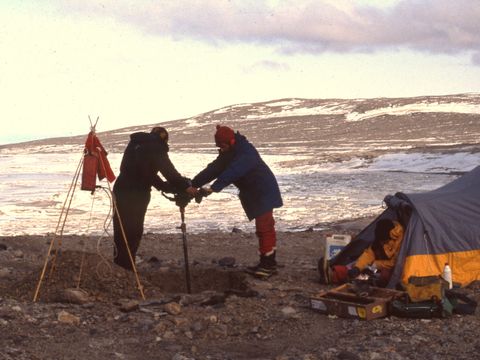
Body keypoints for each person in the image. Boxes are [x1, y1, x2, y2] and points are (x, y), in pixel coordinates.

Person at [191, 125, 283, 279]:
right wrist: (194, 183)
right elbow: (214, 169)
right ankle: (267, 262)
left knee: (264, 227)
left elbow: (234, 171)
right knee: (264, 228)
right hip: (255, 193)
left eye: (222, 145)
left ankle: (268, 265)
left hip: (263, 191)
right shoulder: (229, 152)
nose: (221, 149)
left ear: (231, 141)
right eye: (218, 146)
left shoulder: (246, 152)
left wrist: (214, 187)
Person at [112, 126, 196, 270]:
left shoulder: (136, 143)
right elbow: (168, 170)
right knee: (134, 230)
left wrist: (163, 187)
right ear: (164, 137)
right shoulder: (157, 146)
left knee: (121, 230)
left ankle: (120, 266)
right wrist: (185, 186)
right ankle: (127, 266)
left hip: (120, 189)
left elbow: (145, 172)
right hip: (137, 193)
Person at [347, 218, 404, 286]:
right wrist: (358, 267)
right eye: (381, 241)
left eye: (383, 241)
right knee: (355, 265)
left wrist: (375, 264)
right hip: (379, 266)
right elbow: (369, 254)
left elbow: (395, 263)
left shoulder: (401, 240)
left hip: (397, 269)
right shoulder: (379, 241)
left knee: (384, 275)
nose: (382, 243)